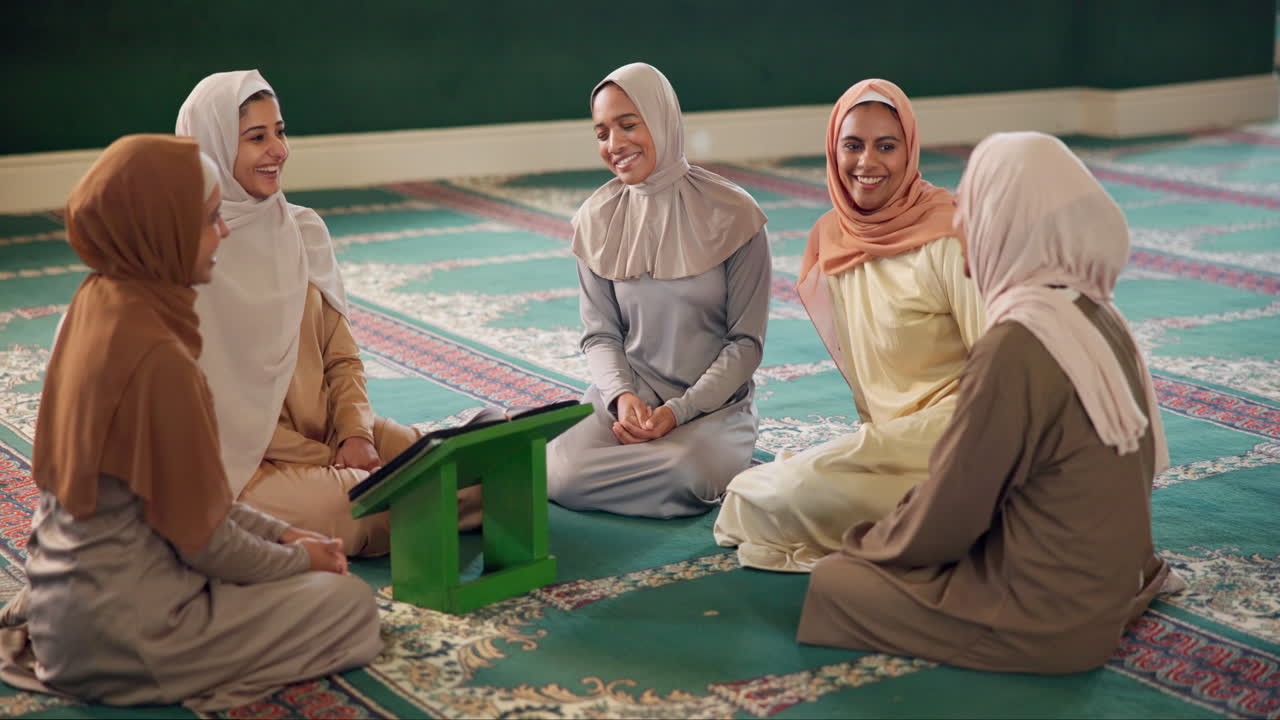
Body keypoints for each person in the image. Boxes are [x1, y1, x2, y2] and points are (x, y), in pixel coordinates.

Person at [0, 135, 380, 710]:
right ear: (163, 229)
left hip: (65, 599)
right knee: (348, 605)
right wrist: (303, 558)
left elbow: (182, 495)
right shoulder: (157, 356)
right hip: (131, 633)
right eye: (207, 220)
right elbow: (205, 543)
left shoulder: (94, 302)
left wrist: (280, 533)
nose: (223, 232)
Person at [797, 131, 1178, 673]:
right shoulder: (1091, 309)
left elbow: (952, 513)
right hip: (1113, 578)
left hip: (1051, 617)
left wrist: (871, 542)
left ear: (1010, 222)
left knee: (837, 581)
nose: (957, 225)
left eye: (973, 208)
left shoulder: (1017, 343)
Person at [175, 70, 480, 554]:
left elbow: (342, 356)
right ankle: (431, 502)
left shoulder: (301, 230)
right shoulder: (191, 258)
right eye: (257, 137)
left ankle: (436, 492)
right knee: (351, 511)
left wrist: (355, 434)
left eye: (280, 131)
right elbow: (220, 419)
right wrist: (329, 459)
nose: (279, 150)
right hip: (244, 463)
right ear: (211, 146)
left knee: (466, 466)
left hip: (330, 434)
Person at [714, 79, 983, 571]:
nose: (867, 163)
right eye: (853, 146)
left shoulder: (948, 234)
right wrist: (874, 449)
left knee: (771, 500)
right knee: (748, 499)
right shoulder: (834, 236)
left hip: (965, 434)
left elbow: (999, 364)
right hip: (891, 440)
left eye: (887, 146)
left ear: (910, 150)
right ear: (833, 150)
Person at [545, 62, 771, 518]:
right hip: (629, 400)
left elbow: (745, 345)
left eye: (629, 125)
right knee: (558, 470)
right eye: (602, 133)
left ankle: (693, 460)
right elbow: (600, 335)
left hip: (713, 409)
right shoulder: (596, 219)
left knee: (683, 473)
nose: (615, 145)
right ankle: (640, 463)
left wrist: (677, 413)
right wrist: (621, 397)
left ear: (663, 120)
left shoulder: (735, 213)